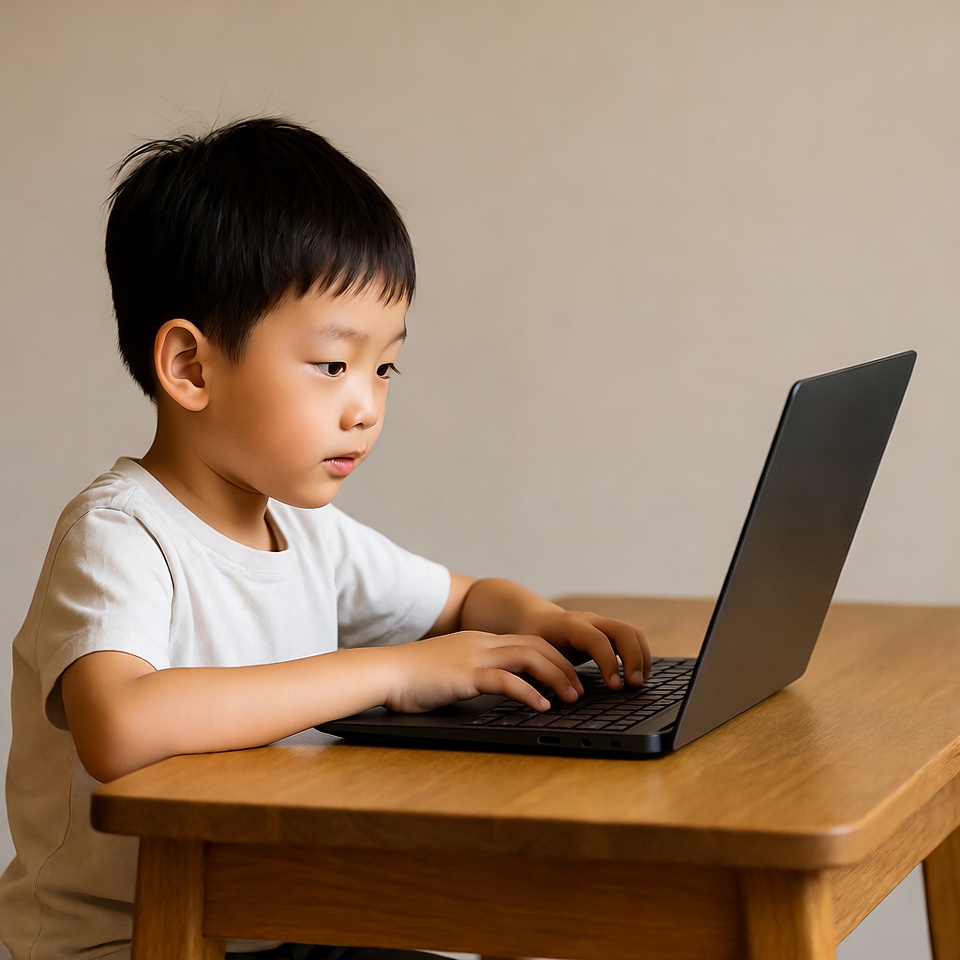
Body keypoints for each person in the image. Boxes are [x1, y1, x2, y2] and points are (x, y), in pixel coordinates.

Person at [0, 117, 651, 960]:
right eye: (332, 365)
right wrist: (389, 670)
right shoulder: (121, 533)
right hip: (133, 941)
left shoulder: (307, 530)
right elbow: (121, 726)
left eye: (386, 368)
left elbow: (455, 601)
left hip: (268, 919)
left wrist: (537, 616)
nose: (367, 406)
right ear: (192, 368)